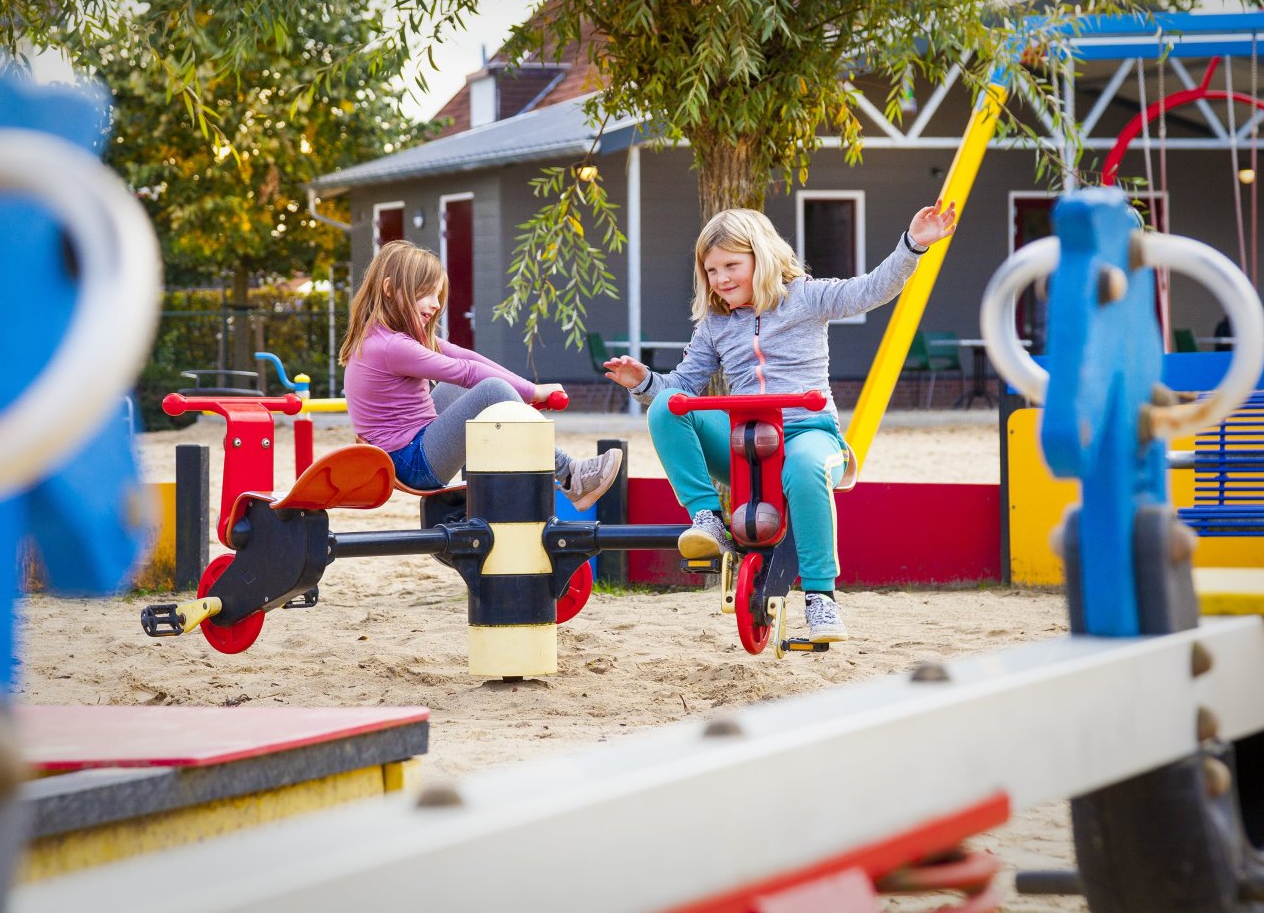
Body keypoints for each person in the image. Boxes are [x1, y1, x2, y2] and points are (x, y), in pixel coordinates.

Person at [603, 203, 957, 641]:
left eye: (732, 265)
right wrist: (644, 384)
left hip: (808, 433)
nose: (721, 279)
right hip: (745, 446)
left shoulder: (805, 297)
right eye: (711, 270)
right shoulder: (716, 324)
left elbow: (871, 290)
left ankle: (821, 599)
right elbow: (682, 389)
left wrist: (914, 244)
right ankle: (709, 520)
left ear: (762, 258)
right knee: (666, 405)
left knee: (806, 468)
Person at [342, 240, 622, 509]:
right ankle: (570, 475)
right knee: (490, 390)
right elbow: (468, 372)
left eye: (437, 295)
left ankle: (483, 482)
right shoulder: (394, 347)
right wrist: (532, 394)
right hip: (412, 461)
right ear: (390, 289)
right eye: (426, 293)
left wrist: (523, 392)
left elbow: (466, 357)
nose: (436, 304)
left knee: (483, 390)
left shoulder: (384, 337)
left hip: (408, 448)